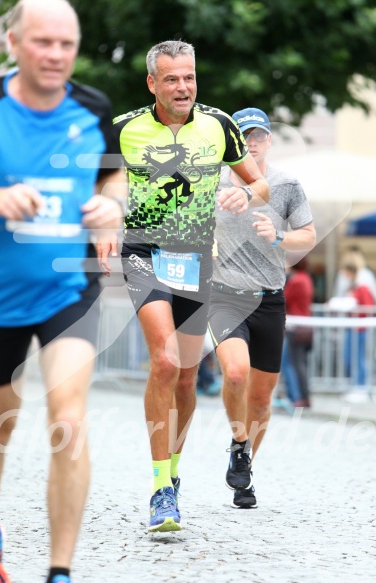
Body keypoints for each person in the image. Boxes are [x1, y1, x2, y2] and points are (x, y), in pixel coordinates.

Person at [98, 41, 270, 532]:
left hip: (196, 262)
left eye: (189, 78)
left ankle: (172, 476)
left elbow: (259, 185)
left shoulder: (219, 125)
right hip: (144, 254)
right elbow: (105, 182)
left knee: (189, 379)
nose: (183, 88)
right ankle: (158, 491)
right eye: (172, 79)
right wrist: (109, 215)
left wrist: (243, 192)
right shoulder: (126, 128)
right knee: (165, 361)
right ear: (152, 83)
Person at [0, 1, 122, 582]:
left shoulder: (92, 109)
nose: (56, 55)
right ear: (14, 43)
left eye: (66, 45)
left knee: (68, 416)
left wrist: (111, 204)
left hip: (71, 285)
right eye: (43, 42)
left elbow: (112, 173)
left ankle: (59, 571)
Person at [207, 107, 316, 509]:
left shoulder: (286, 185)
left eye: (258, 136)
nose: (251, 143)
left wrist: (278, 237)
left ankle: (245, 468)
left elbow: (308, 235)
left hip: (270, 298)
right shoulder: (212, 181)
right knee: (235, 372)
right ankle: (239, 444)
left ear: (269, 140)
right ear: (232, 142)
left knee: (261, 400)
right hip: (224, 294)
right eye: (244, 136)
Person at [283, 257, 315, 408]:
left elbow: (283, 299)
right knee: (300, 364)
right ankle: (304, 397)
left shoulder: (296, 281)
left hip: (295, 327)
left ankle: (296, 398)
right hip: (305, 326)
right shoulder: (306, 278)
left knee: (291, 363)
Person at [341, 262, 375, 403]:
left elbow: (368, 307)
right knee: (351, 358)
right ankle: (357, 384)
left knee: (359, 358)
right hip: (353, 327)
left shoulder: (362, 288)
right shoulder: (352, 287)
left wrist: (354, 306)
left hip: (360, 329)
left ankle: (361, 386)